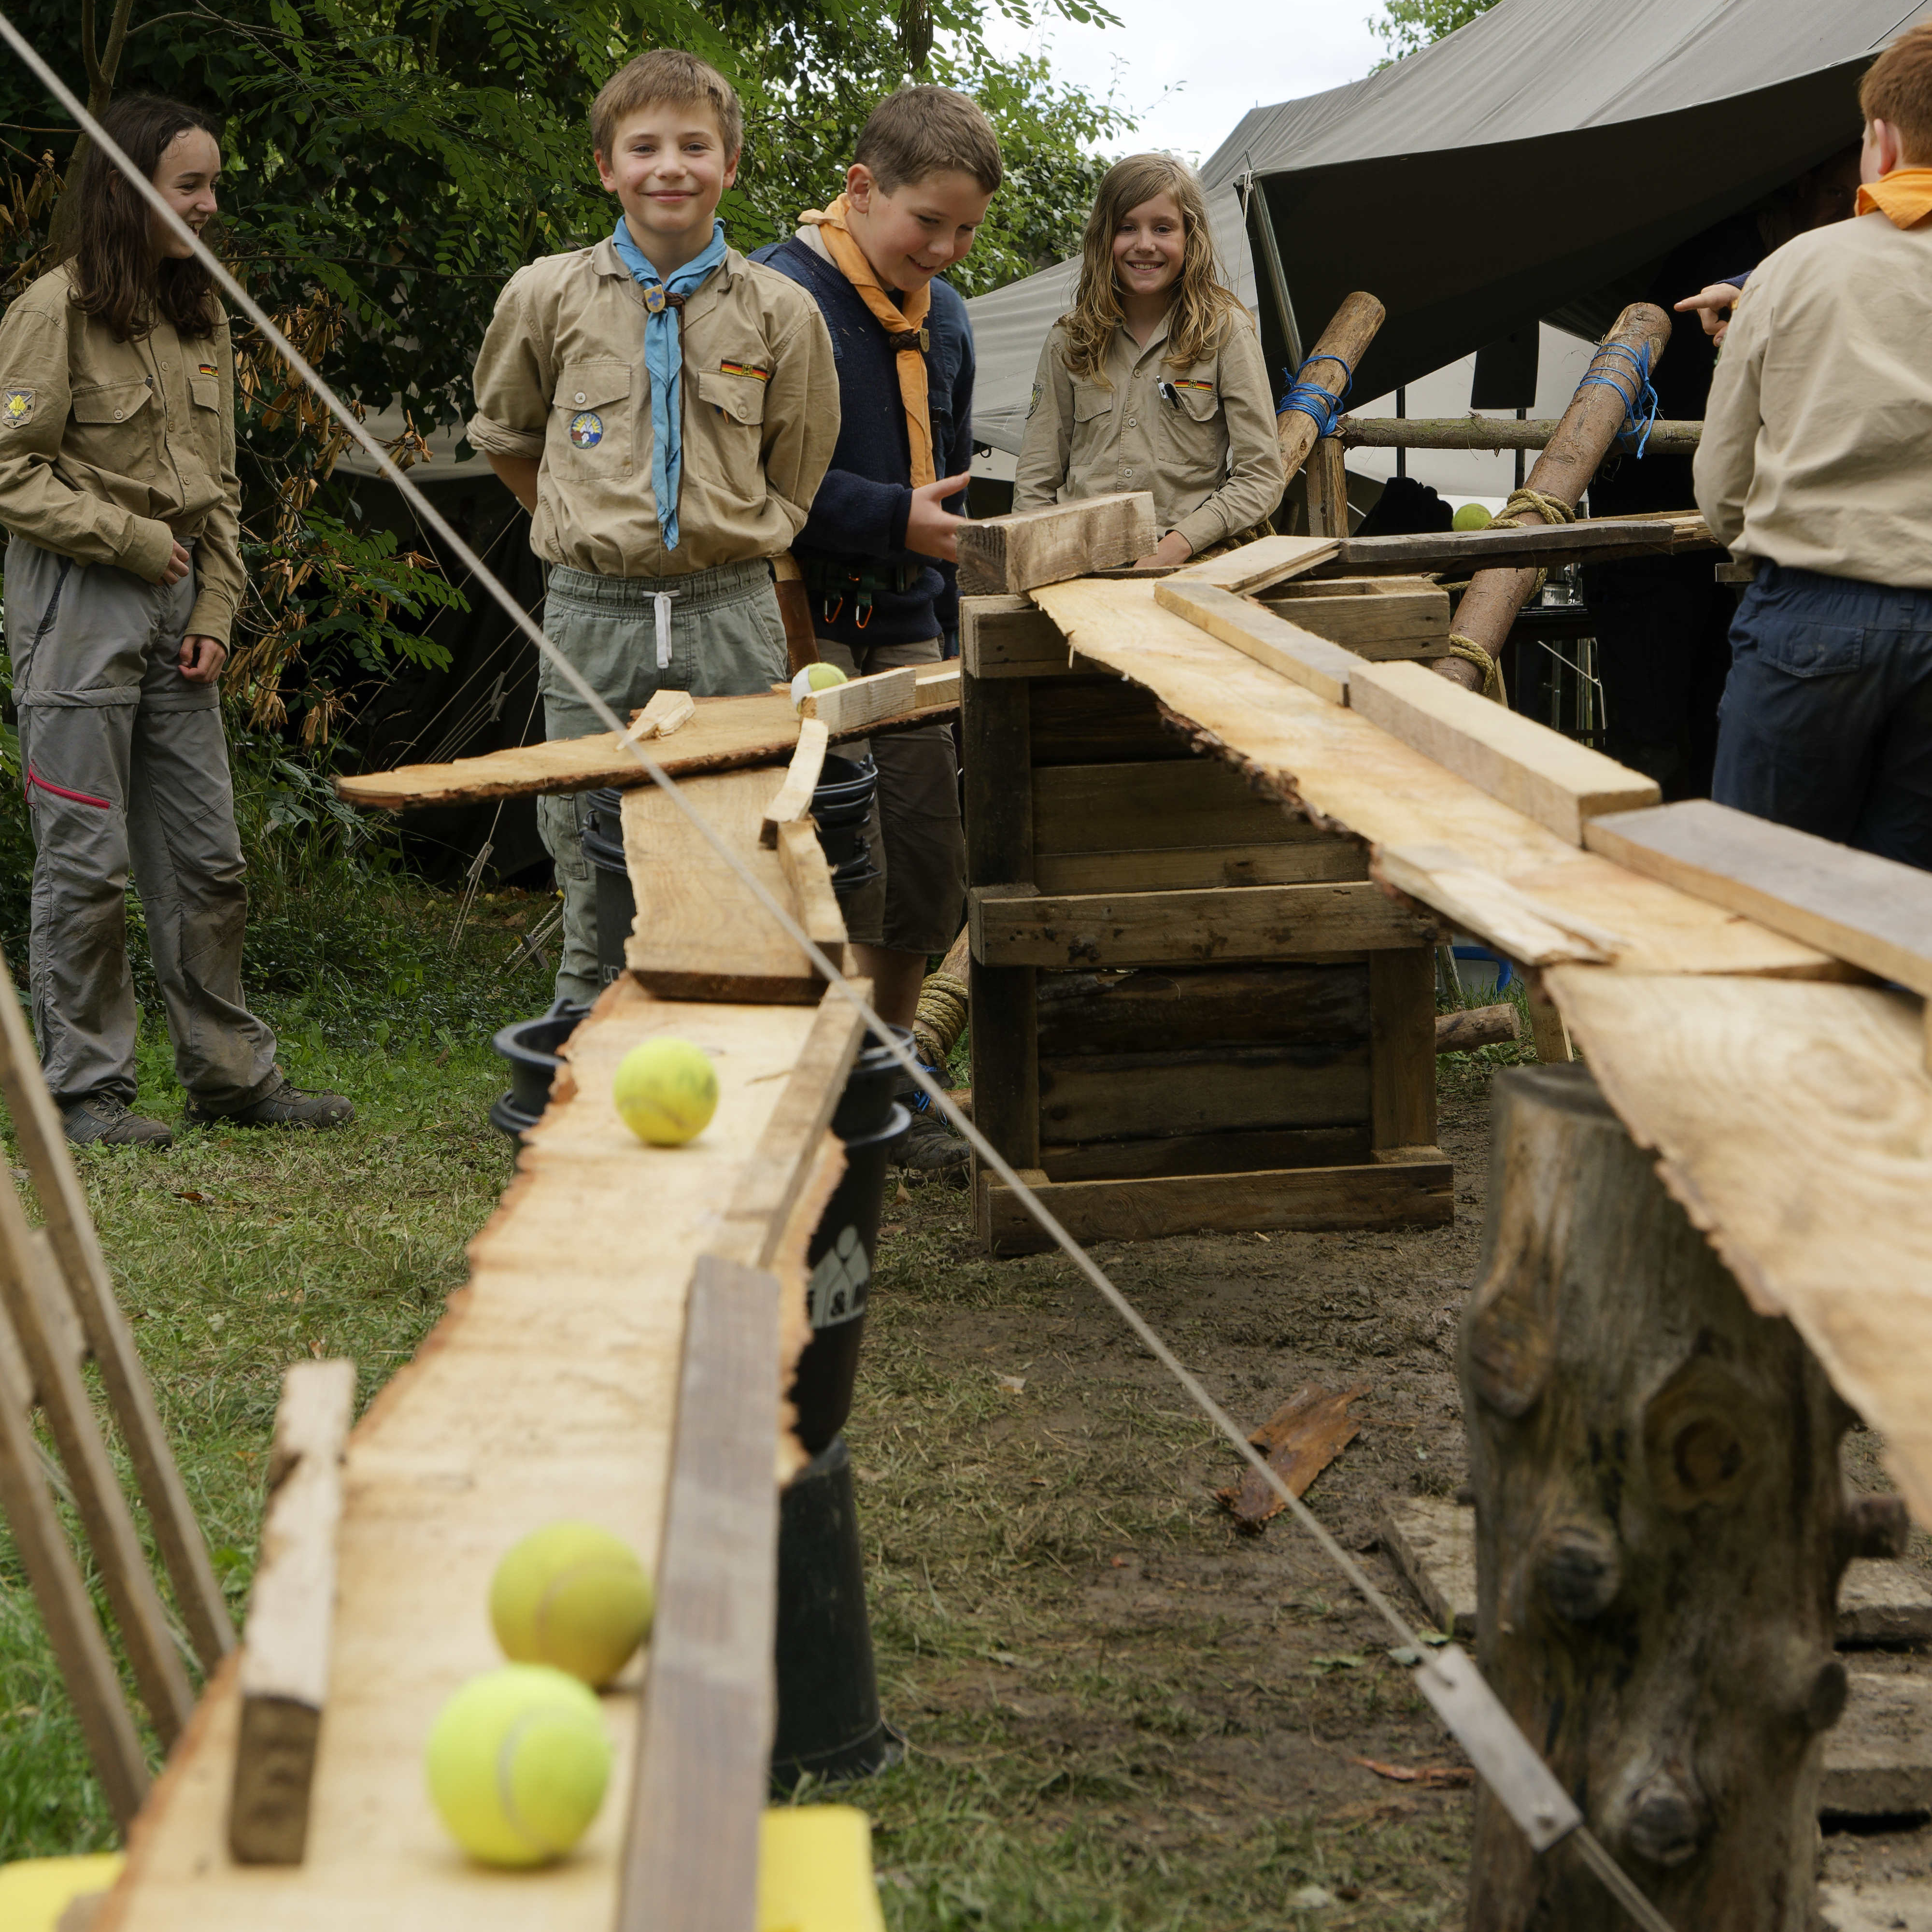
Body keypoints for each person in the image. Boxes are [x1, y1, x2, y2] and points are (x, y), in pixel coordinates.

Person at [0, 96, 353, 1148]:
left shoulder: (202, 317)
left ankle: (230, 1074)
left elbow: (225, 490)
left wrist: (215, 605)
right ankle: (84, 1092)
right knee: (86, 861)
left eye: (212, 185)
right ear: (125, 186)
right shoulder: (49, 312)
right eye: (187, 185)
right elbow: (10, 472)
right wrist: (136, 544)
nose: (208, 204)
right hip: (78, 607)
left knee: (209, 857)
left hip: (178, 608)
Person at [469, 50, 839, 1006]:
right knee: (590, 843)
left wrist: (729, 537)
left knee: (741, 832)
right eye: (643, 147)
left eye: (693, 146)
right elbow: (509, 439)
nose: (668, 166)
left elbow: (798, 466)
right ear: (605, 166)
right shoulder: (544, 297)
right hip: (595, 615)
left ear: (730, 163)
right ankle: (581, 1048)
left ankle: (734, 1053)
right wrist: (584, 525)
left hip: (730, 613)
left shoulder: (782, 311)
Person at [753, 86, 994, 1173]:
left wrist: (945, 626)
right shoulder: (772, 293)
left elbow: (940, 480)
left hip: (906, 616)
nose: (942, 248)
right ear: (860, 190)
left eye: (964, 231)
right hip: (797, 607)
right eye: (925, 223)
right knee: (825, 858)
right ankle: (813, 1079)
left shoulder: (946, 317)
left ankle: (890, 1066)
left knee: (925, 856)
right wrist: (886, 515)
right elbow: (746, 478)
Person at [1696, 25, 1932, 867]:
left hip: (1814, 614)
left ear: (1882, 140)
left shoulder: (1793, 267)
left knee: (1769, 897)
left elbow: (1722, 480)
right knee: (1912, 920)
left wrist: (1753, 536)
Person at [1580, 150, 1861, 801]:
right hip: (1653, 529)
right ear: (1793, 192)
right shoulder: (1727, 262)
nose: (1842, 213)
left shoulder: (1795, 264)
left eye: (1857, 197)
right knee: (1652, 730)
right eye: (1832, 194)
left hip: (1717, 535)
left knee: (1713, 711)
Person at [1012, 152, 1284, 565]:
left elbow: (1261, 477)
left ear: (1189, 236)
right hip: (1080, 569)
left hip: (1184, 568)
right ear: (1105, 238)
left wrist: (1176, 546)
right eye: (1127, 228)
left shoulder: (1226, 333)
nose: (1144, 245)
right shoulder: (1070, 340)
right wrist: (1033, 563)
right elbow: (1037, 478)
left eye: (1162, 228)